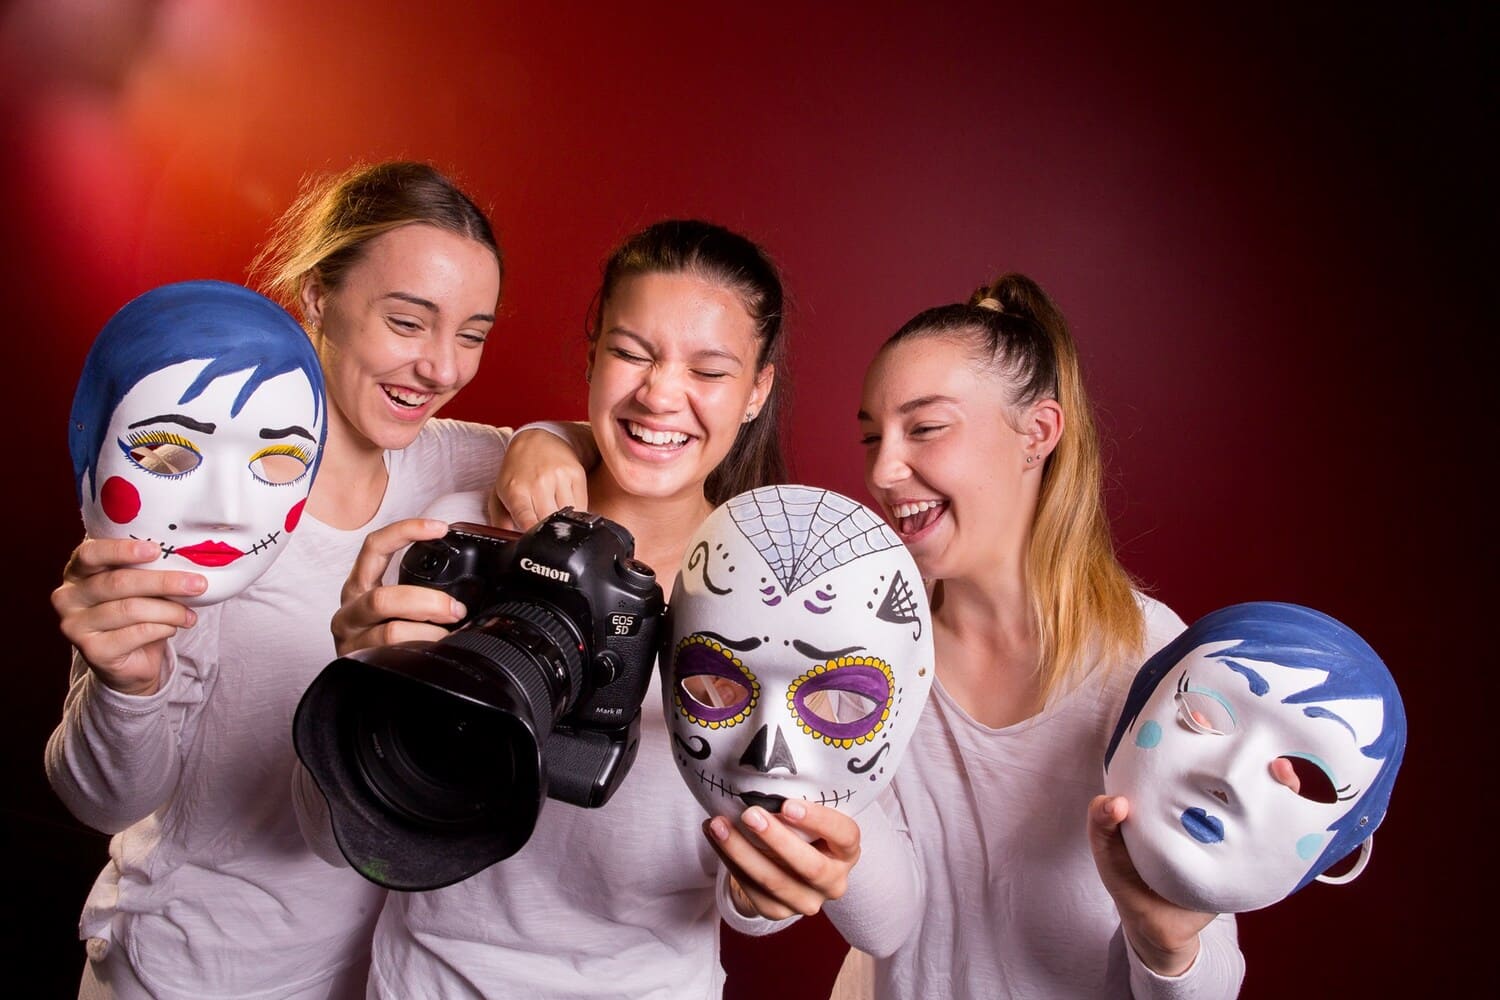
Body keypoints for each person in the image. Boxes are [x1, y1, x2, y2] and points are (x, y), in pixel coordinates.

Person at [47, 160, 594, 1000]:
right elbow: (108, 801)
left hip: (363, 975)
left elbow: (608, 441)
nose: (442, 367)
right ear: (315, 299)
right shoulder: (206, 505)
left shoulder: (455, 463)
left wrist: (545, 439)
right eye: (408, 321)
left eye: (473, 334)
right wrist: (125, 686)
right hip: (188, 973)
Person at [298, 219, 860, 999]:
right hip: (424, 981)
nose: (661, 395)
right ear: (592, 351)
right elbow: (333, 833)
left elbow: (755, 901)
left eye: (709, 370)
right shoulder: (468, 526)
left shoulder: (776, 601)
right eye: (632, 353)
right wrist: (354, 683)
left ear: (758, 388)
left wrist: (772, 885)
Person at [812, 273, 1247, 997]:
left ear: (1038, 433)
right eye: (871, 436)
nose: (884, 471)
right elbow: (884, 927)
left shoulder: (1149, 660)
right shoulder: (865, 656)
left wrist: (1165, 941)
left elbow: (1212, 977)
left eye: (924, 428)